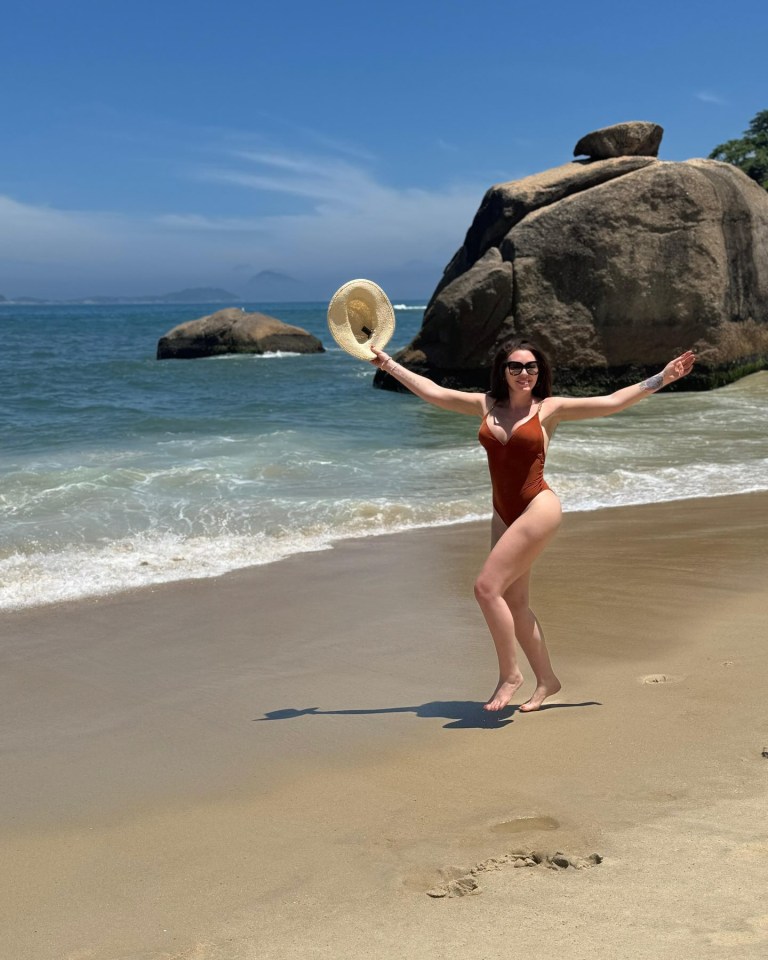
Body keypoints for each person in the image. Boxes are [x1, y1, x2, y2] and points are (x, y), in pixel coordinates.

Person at [371, 339, 696, 714]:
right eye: (515, 367)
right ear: (503, 371)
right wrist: (389, 364)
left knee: (485, 588)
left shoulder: (549, 409)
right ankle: (547, 680)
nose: (524, 373)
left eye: (531, 367)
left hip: (538, 506)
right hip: (503, 513)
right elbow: (435, 393)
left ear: (539, 373)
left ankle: (510, 675)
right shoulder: (486, 404)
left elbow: (611, 402)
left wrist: (662, 378)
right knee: (515, 601)